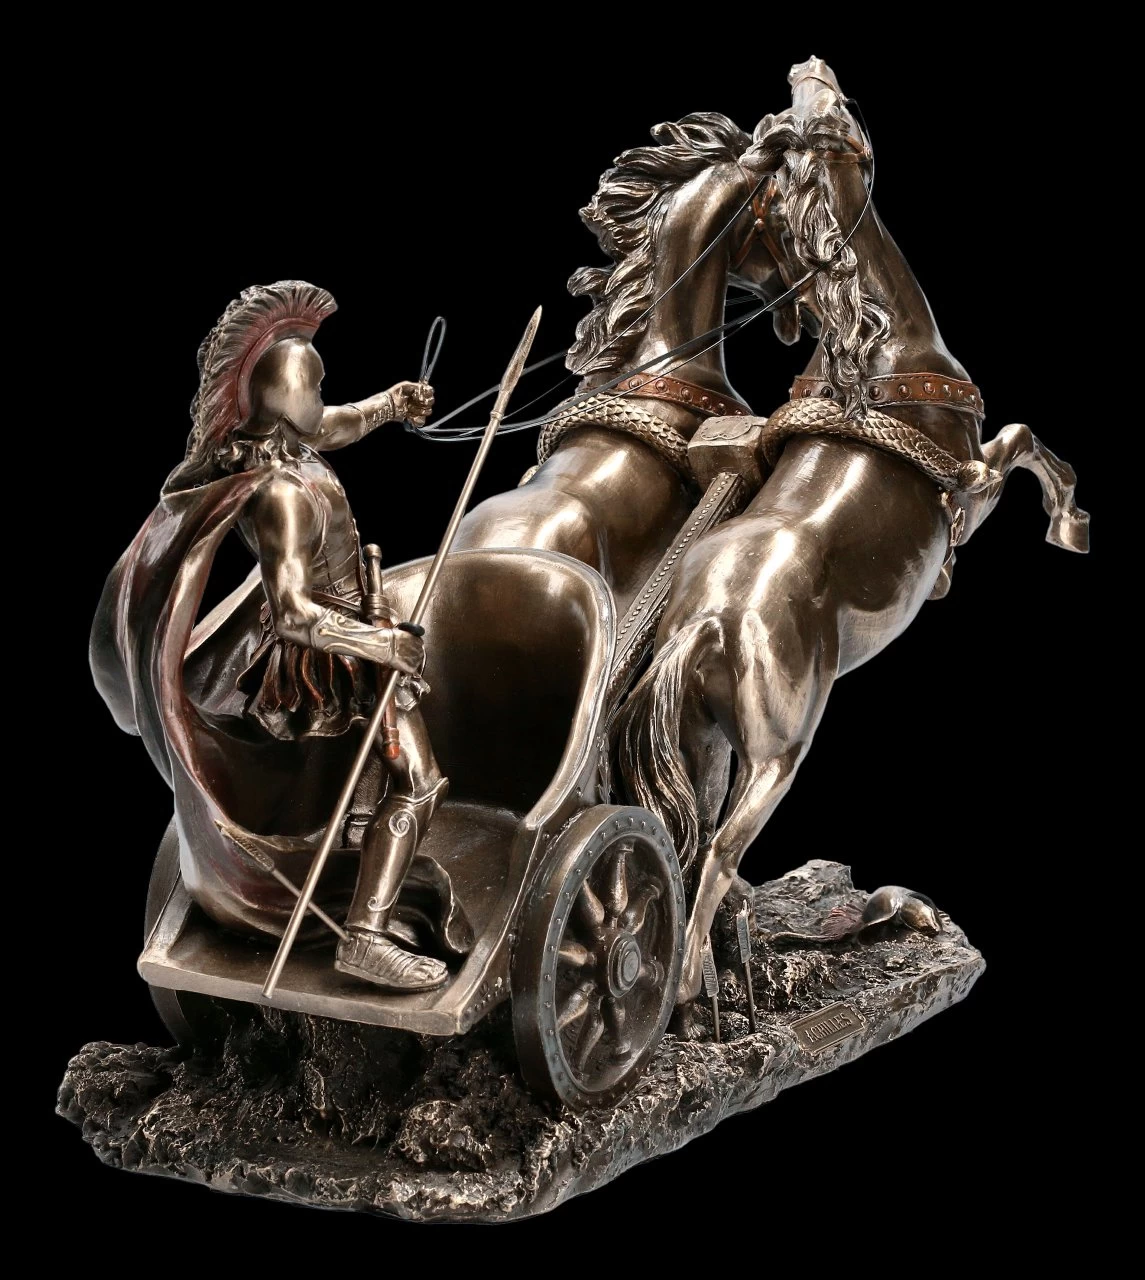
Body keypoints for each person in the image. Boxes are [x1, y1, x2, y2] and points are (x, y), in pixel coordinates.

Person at [93, 281, 453, 992]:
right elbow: (292, 613)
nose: (321, 395)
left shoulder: (289, 448)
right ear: (283, 394)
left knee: (369, 775)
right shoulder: (282, 493)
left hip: (350, 631)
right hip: (330, 655)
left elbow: (336, 426)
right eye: (313, 384)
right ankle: (367, 935)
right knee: (417, 782)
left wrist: (390, 405)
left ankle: (358, 868)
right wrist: (381, 646)